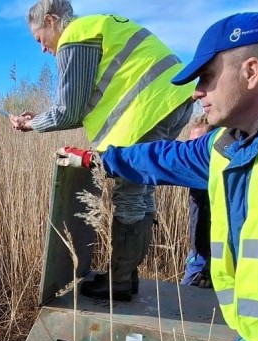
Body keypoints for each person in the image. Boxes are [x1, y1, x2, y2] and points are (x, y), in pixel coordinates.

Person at [54, 12, 258, 341]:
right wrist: (99, 159)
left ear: (252, 71)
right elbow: (163, 158)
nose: (198, 92)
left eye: (207, 76)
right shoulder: (224, 145)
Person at [10, 0, 194, 302]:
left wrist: (30, 126)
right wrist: (40, 117)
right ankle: (126, 276)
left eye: (39, 38)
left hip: (147, 112)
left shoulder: (76, 35)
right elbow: (84, 102)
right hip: (171, 102)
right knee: (142, 191)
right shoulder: (99, 26)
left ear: (52, 21)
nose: (42, 48)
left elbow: (68, 112)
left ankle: (120, 282)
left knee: (130, 194)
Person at [182, 114, 214, 288]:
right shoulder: (194, 171)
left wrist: (210, 264)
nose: (193, 151)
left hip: (211, 258)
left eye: (199, 144)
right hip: (196, 253)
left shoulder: (219, 176)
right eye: (190, 144)